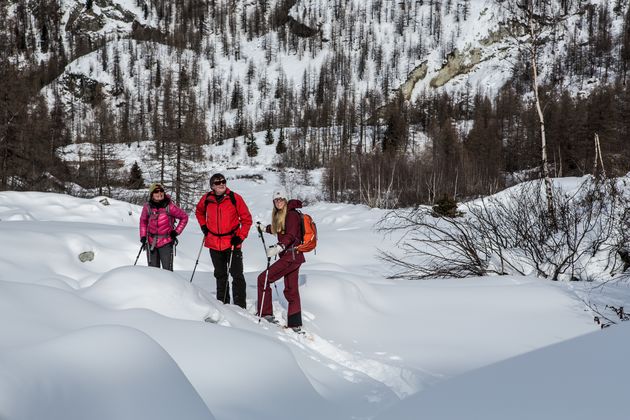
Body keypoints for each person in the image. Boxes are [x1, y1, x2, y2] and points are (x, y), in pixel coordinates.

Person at [195, 173, 252, 308]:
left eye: (223, 181)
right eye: (217, 182)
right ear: (212, 186)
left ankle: (240, 306)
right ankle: (223, 305)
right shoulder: (207, 198)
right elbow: (199, 212)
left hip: (232, 242)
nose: (221, 184)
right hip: (214, 242)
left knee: (237, 275)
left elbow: (247, 219)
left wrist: (240, 236)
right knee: (220, 275)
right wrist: (204, 226)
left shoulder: (234, 198)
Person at [257, 190, 305, 332]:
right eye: (276, 200)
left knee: (263, 279)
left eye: (281, 199)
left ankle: (265, 313)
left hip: (291, 256)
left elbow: (290, 235)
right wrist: (264, 228)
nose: (278, 202)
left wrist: (279, 247)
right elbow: (280, 229)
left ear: (285, 199)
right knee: (292, 290)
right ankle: (295, 323)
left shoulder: (291, 214)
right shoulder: (285, 214)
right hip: (294, 256)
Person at [139, 183, 189, 271]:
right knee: (153, 271)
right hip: (151, 242)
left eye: (161, 191)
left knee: (167, 271)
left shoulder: (170, 206)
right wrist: (143, 236)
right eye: (156, 191)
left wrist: (176, 232)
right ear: (152, 194)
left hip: (166, 242)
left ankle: (169, 285)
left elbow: (184, 217)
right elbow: (143, 221)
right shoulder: (147, 207)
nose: (159, 193)